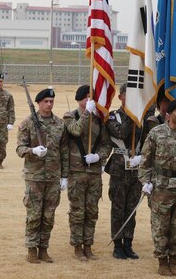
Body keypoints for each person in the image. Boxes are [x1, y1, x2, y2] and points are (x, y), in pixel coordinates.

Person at [139, 99, 176, 276]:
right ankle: (162, 261)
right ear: (169, 114)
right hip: (161, 187)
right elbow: (145, 161)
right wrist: (146, 182)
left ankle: (174, 260)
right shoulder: (156, 134)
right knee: (160, 226)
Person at [15, 87, 68, 264]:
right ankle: (31, 249)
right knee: (34, 214)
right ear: (38, 103)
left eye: (51, 101)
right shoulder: (28, 122)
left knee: (49, 215)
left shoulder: (60, 124)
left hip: (53, 176)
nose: (49, 104)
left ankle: (43, 249)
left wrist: (64, 176)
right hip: (35, 176)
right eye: (46, 101)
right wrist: (33, 151)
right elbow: (19, 149)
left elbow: (64, 151)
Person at [63, 85, 112, 261]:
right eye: (85, 98)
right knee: (77, 211)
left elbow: (107, 144)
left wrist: (98, 156)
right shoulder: (70, 116)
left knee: (92, 211)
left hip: (94, 172)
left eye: (91, 98)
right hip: (76, 172)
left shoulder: (99, 120)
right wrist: (86, 113)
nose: (88, 101)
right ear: (79, 99)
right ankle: (77, 246)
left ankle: (88, 245)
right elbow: (75, 130)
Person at [105, 84, 143, 260]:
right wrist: (131, 114)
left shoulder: (142, 117)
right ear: (120, 97)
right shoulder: (113, 116)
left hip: (136, 169)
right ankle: (117, 244)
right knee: (118, 208)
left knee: (131, 208)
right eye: (129, 95)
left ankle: (128, 243)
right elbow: (121, 133)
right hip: (119, 168)